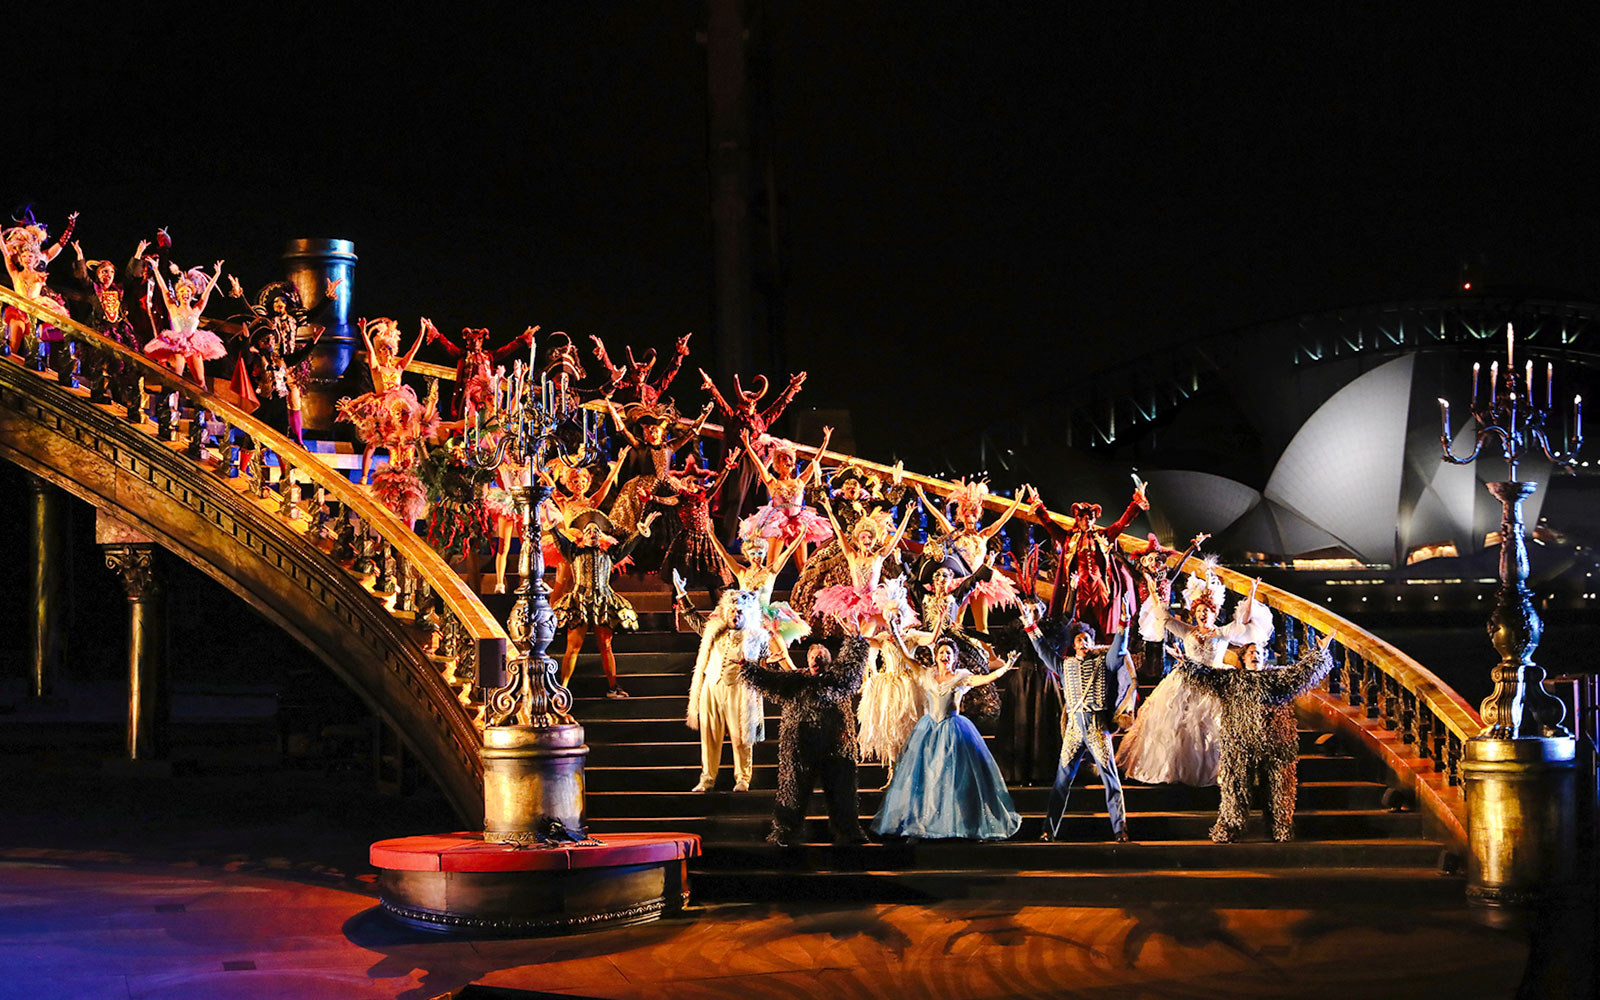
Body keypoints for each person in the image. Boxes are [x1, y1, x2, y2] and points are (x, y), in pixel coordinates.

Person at [1115, 568, 1272, 786]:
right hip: (1186, 681)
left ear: (1214, 613)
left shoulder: (1222, 632)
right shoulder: (1187, 631)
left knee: (1213, 728)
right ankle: (1177, 770)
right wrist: (1153, 593)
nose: (1202, 614)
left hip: (1216, 681)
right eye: (1199, 610)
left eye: (1206, 610)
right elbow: (1164, 617)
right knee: (1178, 727)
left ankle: (1219, 772)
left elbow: (1242, 622)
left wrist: (1252, 593)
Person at [1180, 632, 1335, 842]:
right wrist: (1186, 663)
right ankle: (1230, 827)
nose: (1256, 656)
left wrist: (1320, 652)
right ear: (1243, 658)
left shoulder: (1276, 678)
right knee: (1235, 787)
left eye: (1261, 653)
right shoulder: (1231, 679)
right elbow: (1205, 676)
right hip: (1239, 744)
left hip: (1276, 745)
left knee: (1279, 789)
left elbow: (1301, 673)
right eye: (1252, 652)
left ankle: (1281, 827)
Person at [870, 638, 1021, 841]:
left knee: (953, 778)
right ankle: (920, 825)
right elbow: (907, 656)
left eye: (949, 653)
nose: (945, 656)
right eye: (942, 652)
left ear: (954, 657)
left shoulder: (961, 677)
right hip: (929, 731)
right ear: (936, 656)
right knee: (927, 777)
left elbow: (984, 679)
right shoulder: (927, 674)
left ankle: (961, 823)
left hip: (953, 730)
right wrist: (896, 632)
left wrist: (1006, 668)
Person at [1020, 603, 1138, 842]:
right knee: (1061, 780)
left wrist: (1123, 624)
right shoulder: (1064, 666)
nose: (1083, 643)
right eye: (1079, 640)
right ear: (1072, 644)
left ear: (1092, 643)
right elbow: (1043, 651)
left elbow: (1119, 650)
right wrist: (1031, 627)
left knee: (1110, 778)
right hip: (1074, 728)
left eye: (1087, 640)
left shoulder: (1103, 664)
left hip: (1096, 727)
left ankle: (1120, 829)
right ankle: (1048, 830)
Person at [741, 638, 870, 847]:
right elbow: (768, 681)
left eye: (821, 656)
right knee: (792, 791)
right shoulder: (794, 680)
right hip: (800, 746)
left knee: (842, 793)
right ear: (807, 659)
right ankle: (786, 831)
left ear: (830, 660)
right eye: (813, 656)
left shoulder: (838, 680)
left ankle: (848, 831)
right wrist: (749, 668)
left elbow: (853, 666)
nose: (816, 660)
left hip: (835, 746)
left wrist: (857, 641)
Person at [553, 509, 660, 700]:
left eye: (595, 531)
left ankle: (613, 687)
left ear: (600, 535)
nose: (592, 534)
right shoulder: (573, 552)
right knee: (573, 647)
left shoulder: (609, 554)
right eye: (588, 531)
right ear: (583, 536)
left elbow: (628, 546)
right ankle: (562, 689)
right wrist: (552, 527)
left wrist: (640, 532)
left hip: (603, 601)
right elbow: (560, 541)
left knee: (606, 645)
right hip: (580, 602)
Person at [1029, 483, 1149, 635]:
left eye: (1090, 518)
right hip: (1080, 586)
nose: (1086, 521)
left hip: (1099, 586)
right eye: (1083, 518)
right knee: (1077, 621)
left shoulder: (1103, 536)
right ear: (1077, 519)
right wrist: (1038, 507)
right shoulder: (1069, 538)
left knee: (1104, 622)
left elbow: (1122, 523)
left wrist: (1136, 504)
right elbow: (1050, 525)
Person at [682, 589, 770, 792]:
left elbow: (769, 662)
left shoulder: (756, 637)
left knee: (741, 735)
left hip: (738, 689)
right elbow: (694, 620)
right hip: (712, 686)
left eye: (739, 612)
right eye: (732, 611)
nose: (735, 615)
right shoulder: (714, 630)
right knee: (709, 733)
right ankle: (707, 778)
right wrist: (681, 595)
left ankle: (742, 778)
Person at [915, 479, 1030, 632]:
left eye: (973, 516)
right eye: (967, 515)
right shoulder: (955, 534)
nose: (970, 519)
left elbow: (1002, 520)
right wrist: (923, 497)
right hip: (961, 580)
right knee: (955, 622)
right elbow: (939, 516)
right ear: (962, 517)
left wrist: (1016, 502)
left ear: (977, 517)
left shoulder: (983, 536)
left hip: (979, 581)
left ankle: (986, 654)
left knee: (982, 626)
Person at [336, 317, 434, 485]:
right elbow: (369, 352)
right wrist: (363, 332)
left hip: (399, 408)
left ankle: (406, 474)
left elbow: (412, 352)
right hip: (382, 407)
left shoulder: (398, 368)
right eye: (381, 349)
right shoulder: (377, 369)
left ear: (393, 350)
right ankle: (364, 476)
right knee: (373, 443)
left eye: (388, 348)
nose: (385, 352)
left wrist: (422, 331)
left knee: (405, 441)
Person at [738, 427, 834, 572]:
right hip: (778, 523)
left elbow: (815, 462)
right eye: (783, 459)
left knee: (803, 565)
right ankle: (765, 591)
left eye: (789, 458)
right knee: (772, 564)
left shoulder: (800, 481)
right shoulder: (772, 482)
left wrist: (825, 442)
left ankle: (803, 593)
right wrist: (746, 444)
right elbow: (758, 464)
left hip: (797, 522)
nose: (787, 461)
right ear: (777, 464)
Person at [141, 261, 228, 387]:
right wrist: (155, 269)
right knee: (176, 375)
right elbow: (164, 289)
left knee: (200, 380)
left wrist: (217, 274)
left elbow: (206, 293)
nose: (185, 294)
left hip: (193, 344)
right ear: (178, 295)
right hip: (177, 344)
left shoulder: (196, 310)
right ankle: (170, 402)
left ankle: (201, 404)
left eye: (187, 292)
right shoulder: (173, 307)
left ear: (191, 294)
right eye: (182, 292)